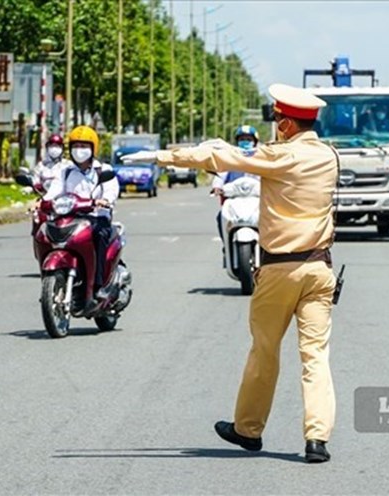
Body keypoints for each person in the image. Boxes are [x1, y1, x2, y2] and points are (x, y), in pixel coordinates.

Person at [123, 83, 339, 463]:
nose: (275, 126)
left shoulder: (279, 156)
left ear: (286, 124)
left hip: (280, 269)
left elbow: (223, 156)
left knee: (265, 350)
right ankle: (316, 439)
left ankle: (248, 430)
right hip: (320, 269)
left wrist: (161, 157)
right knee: (316, 356)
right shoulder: (329, 156)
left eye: (277, 119)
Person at [43, 126, 119, 304]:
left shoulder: (103, 170)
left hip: (96, 217)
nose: (80, 150)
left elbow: (111, 190)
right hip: (71, 216)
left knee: (99, 235)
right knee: (45, 232)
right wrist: (41, 201)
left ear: (93, 148)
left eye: (85, 146)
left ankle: (99, 285)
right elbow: (54, 190)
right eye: (76, 145)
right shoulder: (65, 171)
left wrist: (105, 200)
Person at [210, 125, 261, 243]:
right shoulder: (230, 157)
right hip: (234, 199)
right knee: (220, 217)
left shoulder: (261, 157)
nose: (245, 142)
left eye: (249, 140)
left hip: (256, 200)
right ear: (237, 141)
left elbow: (269, 174)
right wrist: (217, 186)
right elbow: (221, 174)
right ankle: (226, 244)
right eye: (242, 139)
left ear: (255, 142)